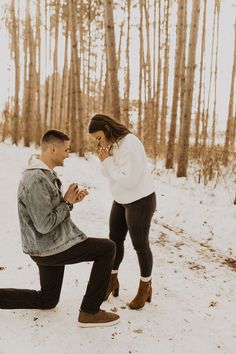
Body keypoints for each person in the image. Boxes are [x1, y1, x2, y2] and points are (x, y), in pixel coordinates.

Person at [0, 129, 119, 328]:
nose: (68, 154)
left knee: (48, 299)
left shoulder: (44, 175)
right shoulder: (36, 179)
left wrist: (69, 202)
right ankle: (90, 312)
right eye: (66, 150)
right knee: (107, 248)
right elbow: (44, 225)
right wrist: (67, 203)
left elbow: (48, 214)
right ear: (53, 148)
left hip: (46, 246)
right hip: (49, 247)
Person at [88, 114, 156, 310]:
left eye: (99, 137)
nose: (98, 142)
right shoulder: (114, 144)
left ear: (108, 128)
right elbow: (107, 173)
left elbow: (129, 180)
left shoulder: (130, 144)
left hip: (140, 200)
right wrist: (106, 159)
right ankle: (112, 280)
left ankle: (145, 286)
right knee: (114, 241)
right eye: (96, 140)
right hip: (121, 199)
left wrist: (108, 162)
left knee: (140, 245)